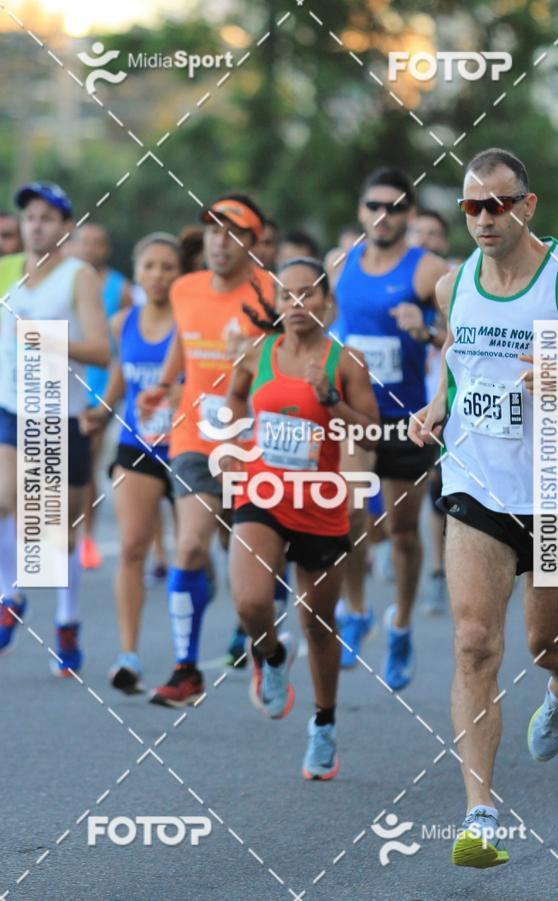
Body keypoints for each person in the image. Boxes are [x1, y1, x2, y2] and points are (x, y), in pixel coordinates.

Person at [409, 148, 558, 867]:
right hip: (475, 483)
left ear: (527, 205)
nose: (483, 218)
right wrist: (435, 405)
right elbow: (461, 360)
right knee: (472, 640)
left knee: (546, 641)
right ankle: (480, 813)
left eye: (497, 204)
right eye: (471, 206)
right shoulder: (452, 284)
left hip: (555, 485)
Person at [224, 257, 379, 778]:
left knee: (317, 624)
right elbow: (236, 394)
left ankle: (324, 723)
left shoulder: (346, 361)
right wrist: (234, 438)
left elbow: (369, 431)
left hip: (322, 502)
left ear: (326, 302)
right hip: (262, 492)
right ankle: (269, 656)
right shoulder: (259, 351)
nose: (296, 304)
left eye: (307, 294)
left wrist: (331, 400)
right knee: (249, 599)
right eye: (286, 295)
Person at [138, 193, 275, 707]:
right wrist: (165, 381)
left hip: (253, 442)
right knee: (191, 544)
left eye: (234, 231)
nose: (221, 240)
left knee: (247, 560)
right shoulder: (185, 288)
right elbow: (184, 340)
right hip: (194, 436)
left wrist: (256, 359)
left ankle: (264, 646)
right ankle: (185, 670)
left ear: (252, 243)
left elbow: (287, 364)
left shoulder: (271, 294)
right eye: (214, 230)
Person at [332, 166, 448, 676]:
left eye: (395, 207)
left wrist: (424, 329)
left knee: (402, 530)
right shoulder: (340, 265)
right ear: (360, 211)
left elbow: (468, 335)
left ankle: (400, 623)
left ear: (410, 214)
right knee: (350, 517)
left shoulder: (428, 270)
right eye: (375, 206)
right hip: (356, 415)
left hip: (408, 418)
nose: (384, 215)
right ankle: (356, 611)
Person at [0, 182, 109, 672]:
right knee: (3, 498)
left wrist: (45, 340)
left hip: (60, 414)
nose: (36, 225)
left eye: (47, 217)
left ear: (66, 226)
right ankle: (9, 597)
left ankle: (67, 621)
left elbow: (101, 350)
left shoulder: (78, 276)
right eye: (29, 217)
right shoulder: (5, 273)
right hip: (10, 407)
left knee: (58, 535)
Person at [80, 233, 180, 694]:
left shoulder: (190, 323)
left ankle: (188, 657)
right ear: (136, 275)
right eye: (150, 267)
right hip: (136, 444)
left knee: (194, 552)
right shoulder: (124, 320)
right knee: (134, 547)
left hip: (187, 447)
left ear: (180, 274)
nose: (158, 275)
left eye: (167, 267)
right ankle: (128, 656)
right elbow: (122, 371)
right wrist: (102, 411)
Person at [69, 222, 132, 570]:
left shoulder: (120, 288)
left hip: (104, 379)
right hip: (67, 378)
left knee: (88, 457)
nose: (90, 249)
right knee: (70, 458)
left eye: (97, 243)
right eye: (84, 242)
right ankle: (70, 533)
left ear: (106, 249)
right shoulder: (66, 281)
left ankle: (87, 535)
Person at [408, 209, 453, 615]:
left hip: (447, 401)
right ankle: (397, 542)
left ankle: (439, 573)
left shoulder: (454, 283)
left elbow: (458, 339)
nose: (425, 239)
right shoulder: (397, 281)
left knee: (438, 487)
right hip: (409, 399)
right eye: (418, 232)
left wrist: (425, 332)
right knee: (422, 490)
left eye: (433, 233)